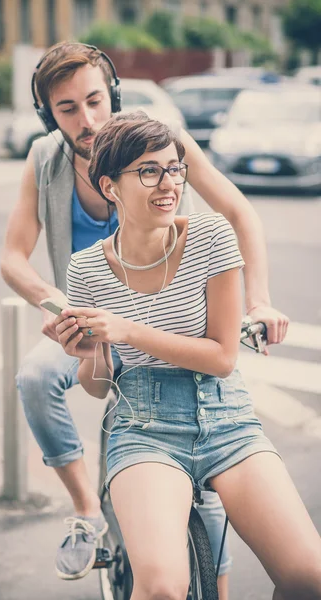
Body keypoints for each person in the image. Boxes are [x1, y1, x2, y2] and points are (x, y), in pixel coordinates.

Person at [0, 42, 289, 593]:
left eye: (94, 100)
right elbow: (12, 257)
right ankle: (88, 510)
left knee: (229, 522)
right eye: (67, 109)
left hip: (181, 318)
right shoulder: (44, 161)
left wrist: (260, 300)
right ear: (47, 115)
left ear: (112, 93)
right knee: (37, 376)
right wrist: (62, 309)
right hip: (88, 316)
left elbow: (236, 211)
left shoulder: (157, 144)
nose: (86, 120)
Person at [56, 112, 321, 600]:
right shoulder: (86, 268)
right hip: (142, 425)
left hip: (227, 417)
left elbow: (223, 357)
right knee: (160, 588)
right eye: (149, 171)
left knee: (308, 577)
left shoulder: (211, 236)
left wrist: (126, 329)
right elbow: (97, 386)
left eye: (174, 168)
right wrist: (88, 351)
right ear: (110, 186)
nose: (168, 183)